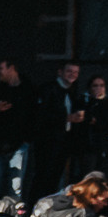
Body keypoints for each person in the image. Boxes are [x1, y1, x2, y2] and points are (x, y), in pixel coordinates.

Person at [0, 60, 36, 201]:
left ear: (12, 68)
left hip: (19, 145)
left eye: (1, 68)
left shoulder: (28, 89)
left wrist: (27, 138)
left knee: (16, 185)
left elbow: (35, 115)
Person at [38, 62, 83, 194]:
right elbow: (41, 115)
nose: (73, 75)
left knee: (57, 176)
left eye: (76, 72)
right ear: (60, 72)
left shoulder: (72, 92)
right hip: (48, 141)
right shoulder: (48, 89)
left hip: (64, 141)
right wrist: (66, 118)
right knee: (44, 176)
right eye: (69, 71)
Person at [75, 75, 108, 179]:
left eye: (101, 86)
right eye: (95, 86)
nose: (98, 88)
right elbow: (85, 119)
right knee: (88, 176)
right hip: (88, 146)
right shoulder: (84, 100)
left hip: (106, 146)